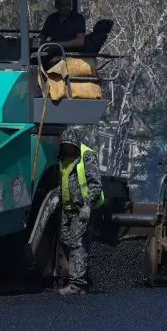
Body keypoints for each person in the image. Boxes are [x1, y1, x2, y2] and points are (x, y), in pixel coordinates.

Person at [57, 125, 104, 296]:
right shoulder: (62, 158)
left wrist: (87, 206)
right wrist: (57, 196)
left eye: (71, 145)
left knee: (78, 244)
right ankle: (82, 276)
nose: (68, 147)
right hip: (67, 209)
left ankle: (78, 284)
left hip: (81, 209)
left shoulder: (86, 156)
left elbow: (96, 183)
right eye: (65, 145)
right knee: (65, 241)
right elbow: (61, 179)